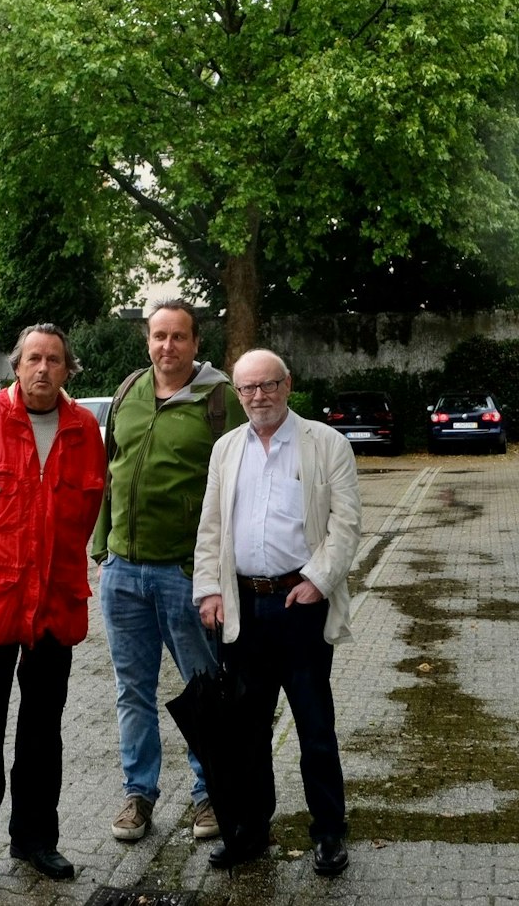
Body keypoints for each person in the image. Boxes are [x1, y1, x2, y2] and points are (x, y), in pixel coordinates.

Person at [0, 325, 107, 899]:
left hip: (55, 602)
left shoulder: (85, 429)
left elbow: (85, 514)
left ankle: (35, 839)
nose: (43, 368)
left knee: (43, 729)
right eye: (33, 358)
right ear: (16, 365)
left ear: (67, 370)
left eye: (54, 360)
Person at [194, 348, 361, 878]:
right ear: (237, 394)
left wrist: (319, 580)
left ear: (288, 384)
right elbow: (211, 529)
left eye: (267, 385)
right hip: (243, 607)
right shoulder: (226, 449)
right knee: (247, 730)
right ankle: (251, 830)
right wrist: (209, 591)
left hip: (299, 606)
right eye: (247, 389)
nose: (258, 396)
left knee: (315, 725)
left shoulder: (325, 443)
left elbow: (346, 525)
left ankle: (329, 832)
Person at [91, 298, 244, 843]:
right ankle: (139, 794)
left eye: (179, 337)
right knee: (132, 689)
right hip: (123, 572)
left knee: (203, 686)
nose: (168, 347)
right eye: (159, 336)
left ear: (196, 343)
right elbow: (111, 470)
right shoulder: (129, 392)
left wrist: (216, 573)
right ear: (147, 340)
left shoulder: (221, 398)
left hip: (185, 575)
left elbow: (238, 485)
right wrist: (100, 544)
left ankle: (209, 796)